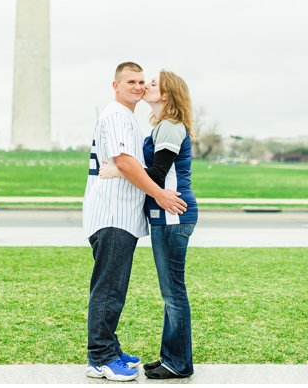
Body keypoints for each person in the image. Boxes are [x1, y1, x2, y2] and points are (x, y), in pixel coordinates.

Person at [83, 62, 186, 382]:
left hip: (122, 215)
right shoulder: (115, 115)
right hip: (113, 215)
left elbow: (129, 165)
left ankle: (109, 349)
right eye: (131, 81)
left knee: (113, 286)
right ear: (115, 85)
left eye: (143, 81)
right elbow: (126, 163)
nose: (139, 86)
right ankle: (100, 357)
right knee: (108, 289)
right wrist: (161, 195)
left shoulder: (128, 117)